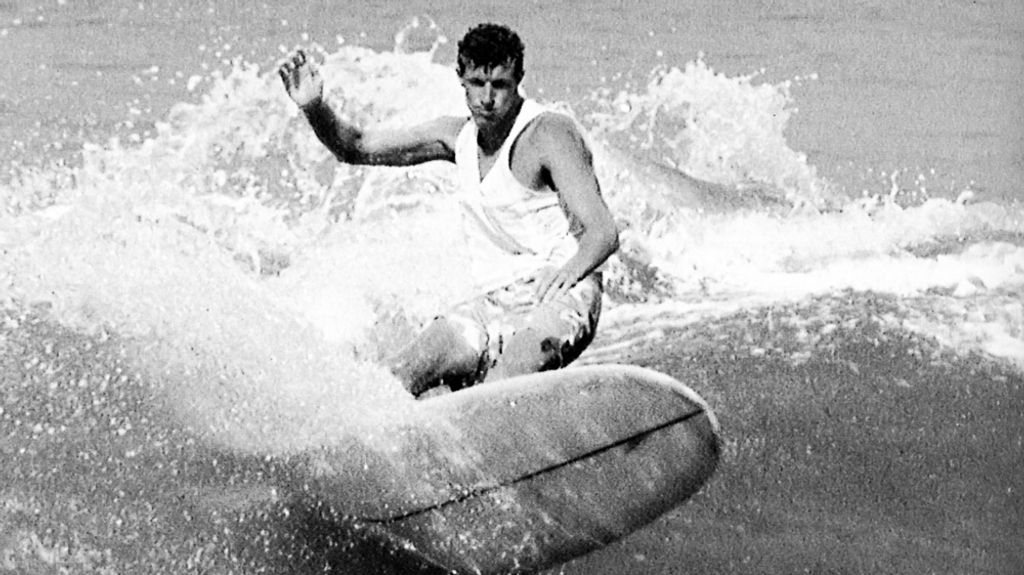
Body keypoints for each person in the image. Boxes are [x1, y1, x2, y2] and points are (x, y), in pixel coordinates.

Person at [279, 23, 619, 397]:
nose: (487, 98)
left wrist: (567, 273)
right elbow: (355, 147)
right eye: (477, 83)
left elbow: (603, 232)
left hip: (561, 296)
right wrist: (314, 108)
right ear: (460, 78)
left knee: (499, 388)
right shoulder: (455, 136)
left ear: (519, 78)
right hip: (493, 303)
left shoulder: (549, 134)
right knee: (395, 379)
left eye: (500, 85)